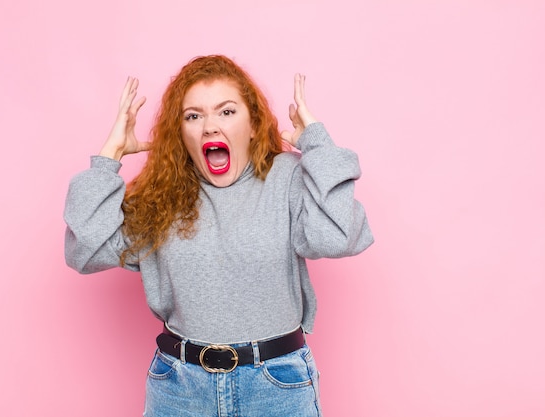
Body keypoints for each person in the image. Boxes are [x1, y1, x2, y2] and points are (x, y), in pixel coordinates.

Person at [64, 55, 373, 417]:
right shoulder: (160, 194)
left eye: (226, 112)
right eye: (193, 116)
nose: (210, 126)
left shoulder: (287, 178)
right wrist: (109, 154)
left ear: (254, 124)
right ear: (180, 133)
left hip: (277, 387)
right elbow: (83, 253)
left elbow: (335, 237)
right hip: (179, 389)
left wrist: (317, 145)